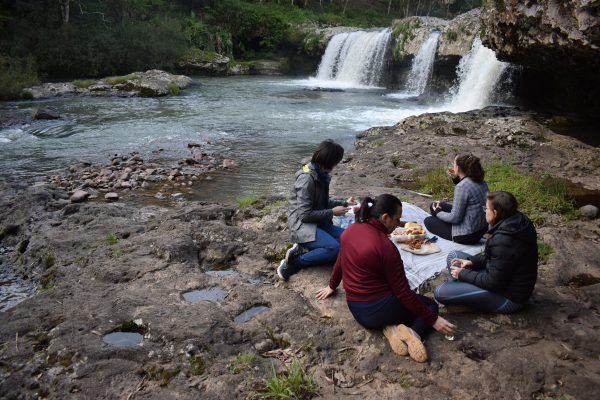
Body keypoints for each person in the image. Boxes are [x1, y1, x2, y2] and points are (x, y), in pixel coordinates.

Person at [315, 194, 455, 362]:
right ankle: (412, 333)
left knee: (397, 301)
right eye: (397, 219)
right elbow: (403, 293)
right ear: (385, 218)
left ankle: (391, 329)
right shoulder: (386, 247)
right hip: (379, 310)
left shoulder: (350, 231)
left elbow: (340, 260)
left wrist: (331, 286)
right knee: (430, 306)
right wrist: (434, 320)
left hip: (356, 309)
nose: (398, 224)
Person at [434, 191, 538, 313]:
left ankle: (464, 295)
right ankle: (462, 292)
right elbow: (498, 260)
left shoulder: (504, 240)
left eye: (486, 208)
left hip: (509, 298)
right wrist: (472, 262)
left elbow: (493, 282)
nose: (484, 211)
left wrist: (463, 274)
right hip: (505, 279)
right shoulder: (518, 222)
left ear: (495, 213)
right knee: (454, 256)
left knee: (440, 292)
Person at [278, 139, 355, 281]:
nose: (336, 165)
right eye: (336, 161)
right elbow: (304, 215)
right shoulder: (307, 179)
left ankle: (308, 248)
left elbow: (323, 202)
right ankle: (295, 262)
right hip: (302, 225)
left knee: (349, 239)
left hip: (318, 222)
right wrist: (332, 212)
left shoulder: (321, 173)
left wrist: (344, 203)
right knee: (334, 249)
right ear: (329, 161)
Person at [424, 154, 488, 244]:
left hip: (467, 235)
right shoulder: (480, 180)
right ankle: (442, 219)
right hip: (480, 229)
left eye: (454, 164)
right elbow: (467, 189)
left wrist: (438, 213)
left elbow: (455, 218)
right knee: (433, 206)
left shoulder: (461, 187)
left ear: (458, 168)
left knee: (428, 220)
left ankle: (446, 226)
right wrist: (456, 177)